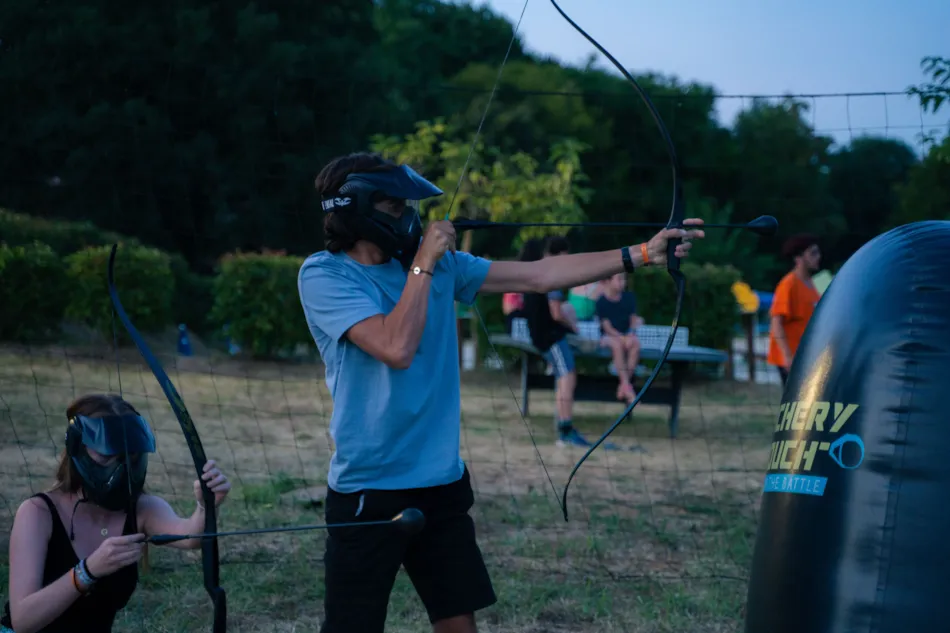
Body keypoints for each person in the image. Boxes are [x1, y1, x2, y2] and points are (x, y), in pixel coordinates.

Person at [297, 151, 705, 633]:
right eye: (394, 209)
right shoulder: (325, 275)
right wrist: (424, 264)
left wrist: (639, 254)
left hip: (440, 482)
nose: (410, 219)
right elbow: (395, 345)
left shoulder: (440, 268)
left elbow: (537, 275)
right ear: (356, 208)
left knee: (459, 623)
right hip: (367, 488)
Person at [1, 393, 231, 633]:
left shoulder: (141, 508)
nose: (120, 469)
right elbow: (23, 621)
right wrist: (88, 571)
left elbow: (191, 537)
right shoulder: (38, 513)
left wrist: (207, 505)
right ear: (77, 447)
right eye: (107, 456)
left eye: (128, 458)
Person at [767, 234, 822, 386]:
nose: (818, 257)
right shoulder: (788, 284)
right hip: (791, 358)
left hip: (809, 357)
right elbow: (776, 323)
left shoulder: (818, 283)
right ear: (799, 258)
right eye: (813, 253)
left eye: (818, 252)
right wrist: (787, 356)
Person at [595, 272, 643, 403]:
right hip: (608, 337)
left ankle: (624, 386)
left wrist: (629, 334)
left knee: (635, 344)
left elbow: (633, 320)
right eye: (619, 279)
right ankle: (627, 386)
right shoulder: (601, 302)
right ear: (609, 281)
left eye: (624, 279)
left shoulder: (629, 298)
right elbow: (606, 327)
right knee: (617, 345)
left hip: (626, 334)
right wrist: (621, 337)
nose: (623, 282)